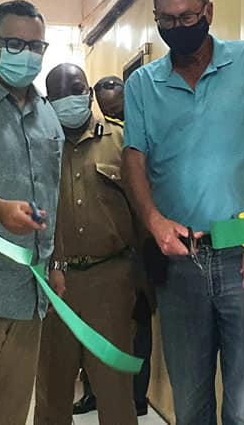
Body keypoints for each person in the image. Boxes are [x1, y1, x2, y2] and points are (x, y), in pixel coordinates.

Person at [122, 0, 244, 424]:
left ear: (208, 12)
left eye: (187, 16)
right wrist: (153, 222)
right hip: (179, 261)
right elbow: (134, 161)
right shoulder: (143, 85)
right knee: (191, 405)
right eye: (166, 20)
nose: (178, 27)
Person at [0, 0, 63, 425]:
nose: (29, 54)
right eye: (15, 43)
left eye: (37, 46)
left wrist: (57, 263)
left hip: (31, 293)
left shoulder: (48, 115)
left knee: (10, 413)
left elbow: (55, 196)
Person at [34, 63, 139, 425]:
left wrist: (143, 281)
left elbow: (142, 209)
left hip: (109, 281)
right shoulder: (37, 145)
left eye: (76, 90)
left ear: (89, 93)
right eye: (60, 95)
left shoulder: (122, 141)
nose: (70, 100)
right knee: (51, 390)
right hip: (52, 287)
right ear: (49, 101)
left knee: (115, 393)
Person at [74, 74, 155, 418]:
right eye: (108, 112)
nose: (113, 118)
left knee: (136, 333)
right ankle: (93, 391)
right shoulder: (87, 140)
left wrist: (146, 269)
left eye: (118, 110)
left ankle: (137, 396)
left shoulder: (137, 137)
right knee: (92, 337)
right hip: (94, 268)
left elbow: (144, 207)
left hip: (133, 257)